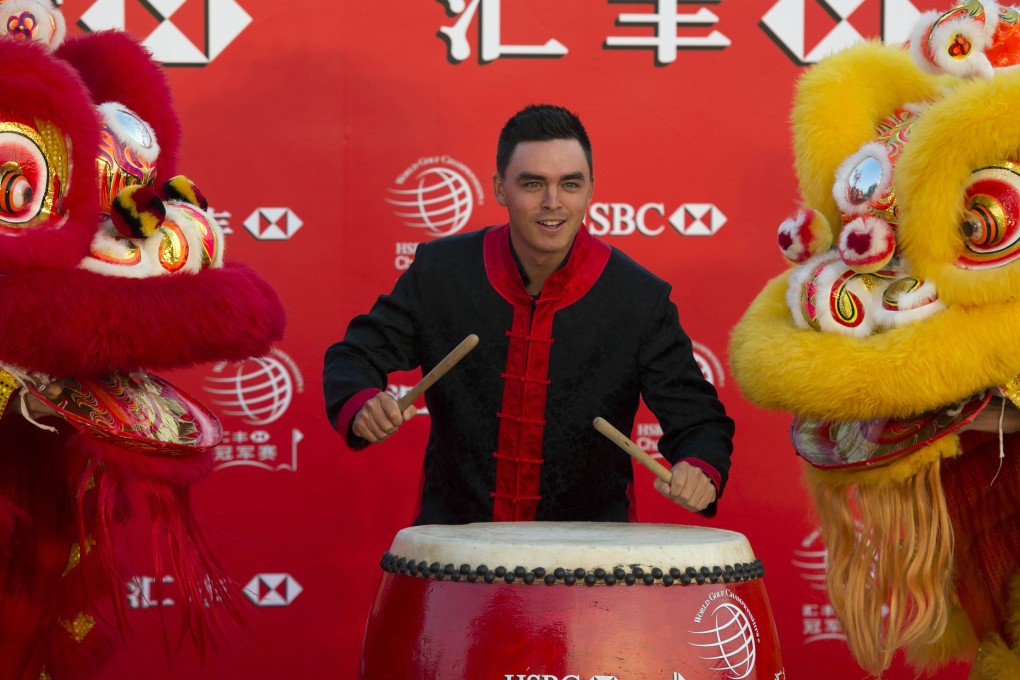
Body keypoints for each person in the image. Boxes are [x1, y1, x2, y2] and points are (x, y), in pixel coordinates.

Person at [323, 103, 734, 525]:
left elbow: (698, 420)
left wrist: (697, 468)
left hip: (588, 555)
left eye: (570, 184)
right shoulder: (441, 272)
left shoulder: (639, 297)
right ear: (500, 188)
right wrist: (364, 404)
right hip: (455, 543)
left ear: (591, 189)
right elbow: (353, 358)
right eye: (533, 183)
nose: (553, 203)